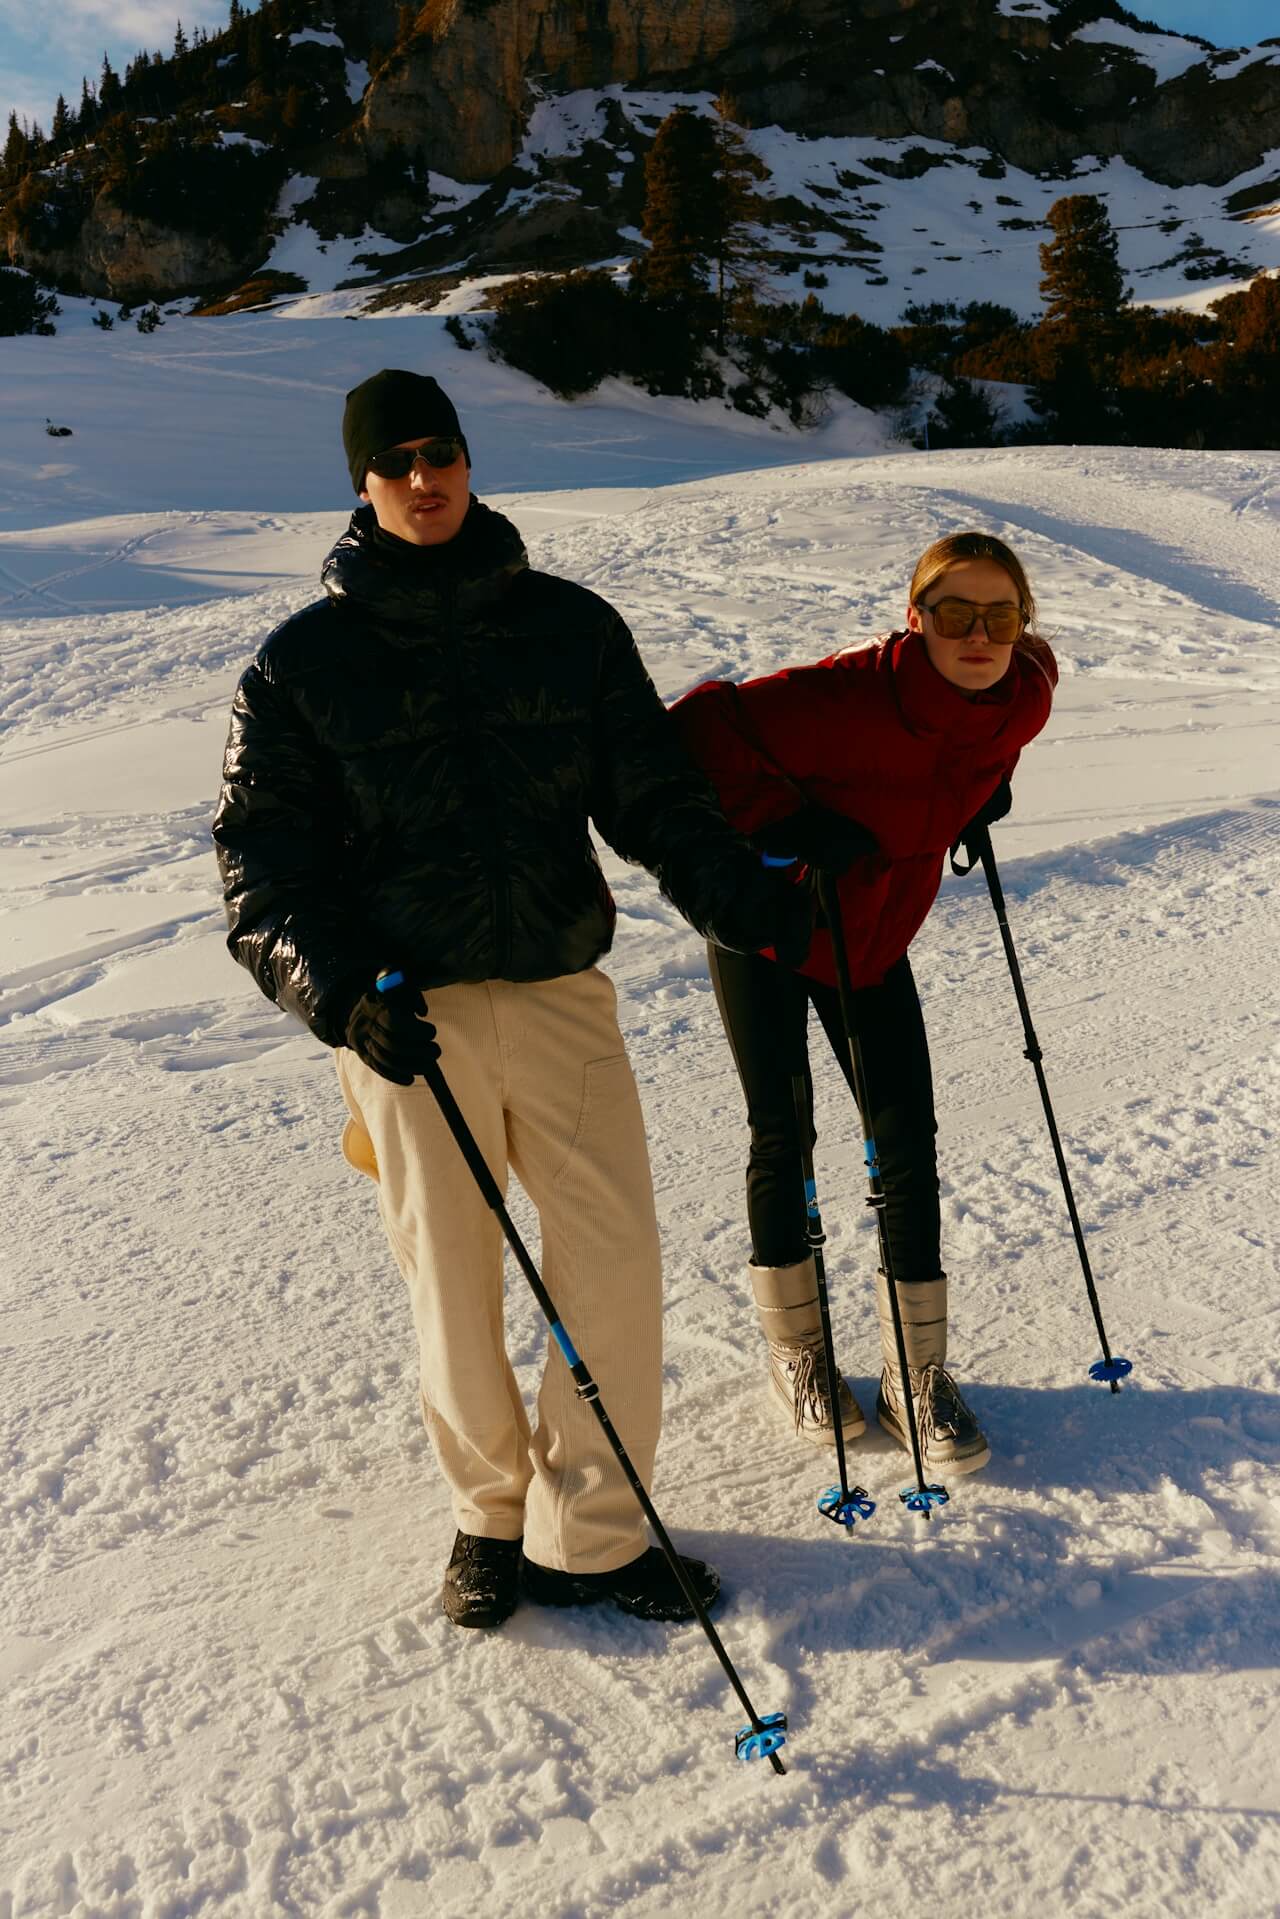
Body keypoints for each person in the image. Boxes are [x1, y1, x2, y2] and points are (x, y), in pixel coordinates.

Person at [212, 369, 808, 1630]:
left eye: (443, 452)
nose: (424, 479)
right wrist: (338, 996)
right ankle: (487, 1518)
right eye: (396, 463)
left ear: (470, 462)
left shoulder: (568, 626)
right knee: (452, 1274)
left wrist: (732, 896)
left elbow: (651, 793)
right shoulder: (299, 664)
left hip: (554, 990)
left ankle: (594, 1528)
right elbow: (262, 860)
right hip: (402, 1014)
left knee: (613, 1254)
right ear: (361, 485)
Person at [670, 531, 1057, 1474]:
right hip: (767, 919)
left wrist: (981, 795)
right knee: (784, 1130)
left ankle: (914, 1373)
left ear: (1023, 624)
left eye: (998, 615)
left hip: (871, 933)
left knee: (905, 1134)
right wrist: (787, 821)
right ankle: (800, 1359)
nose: (978, 634)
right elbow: (690, 732)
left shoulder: (1025, 695)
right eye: (954, 613)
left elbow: (978, 746)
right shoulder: (845, 697)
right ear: (914, 616)